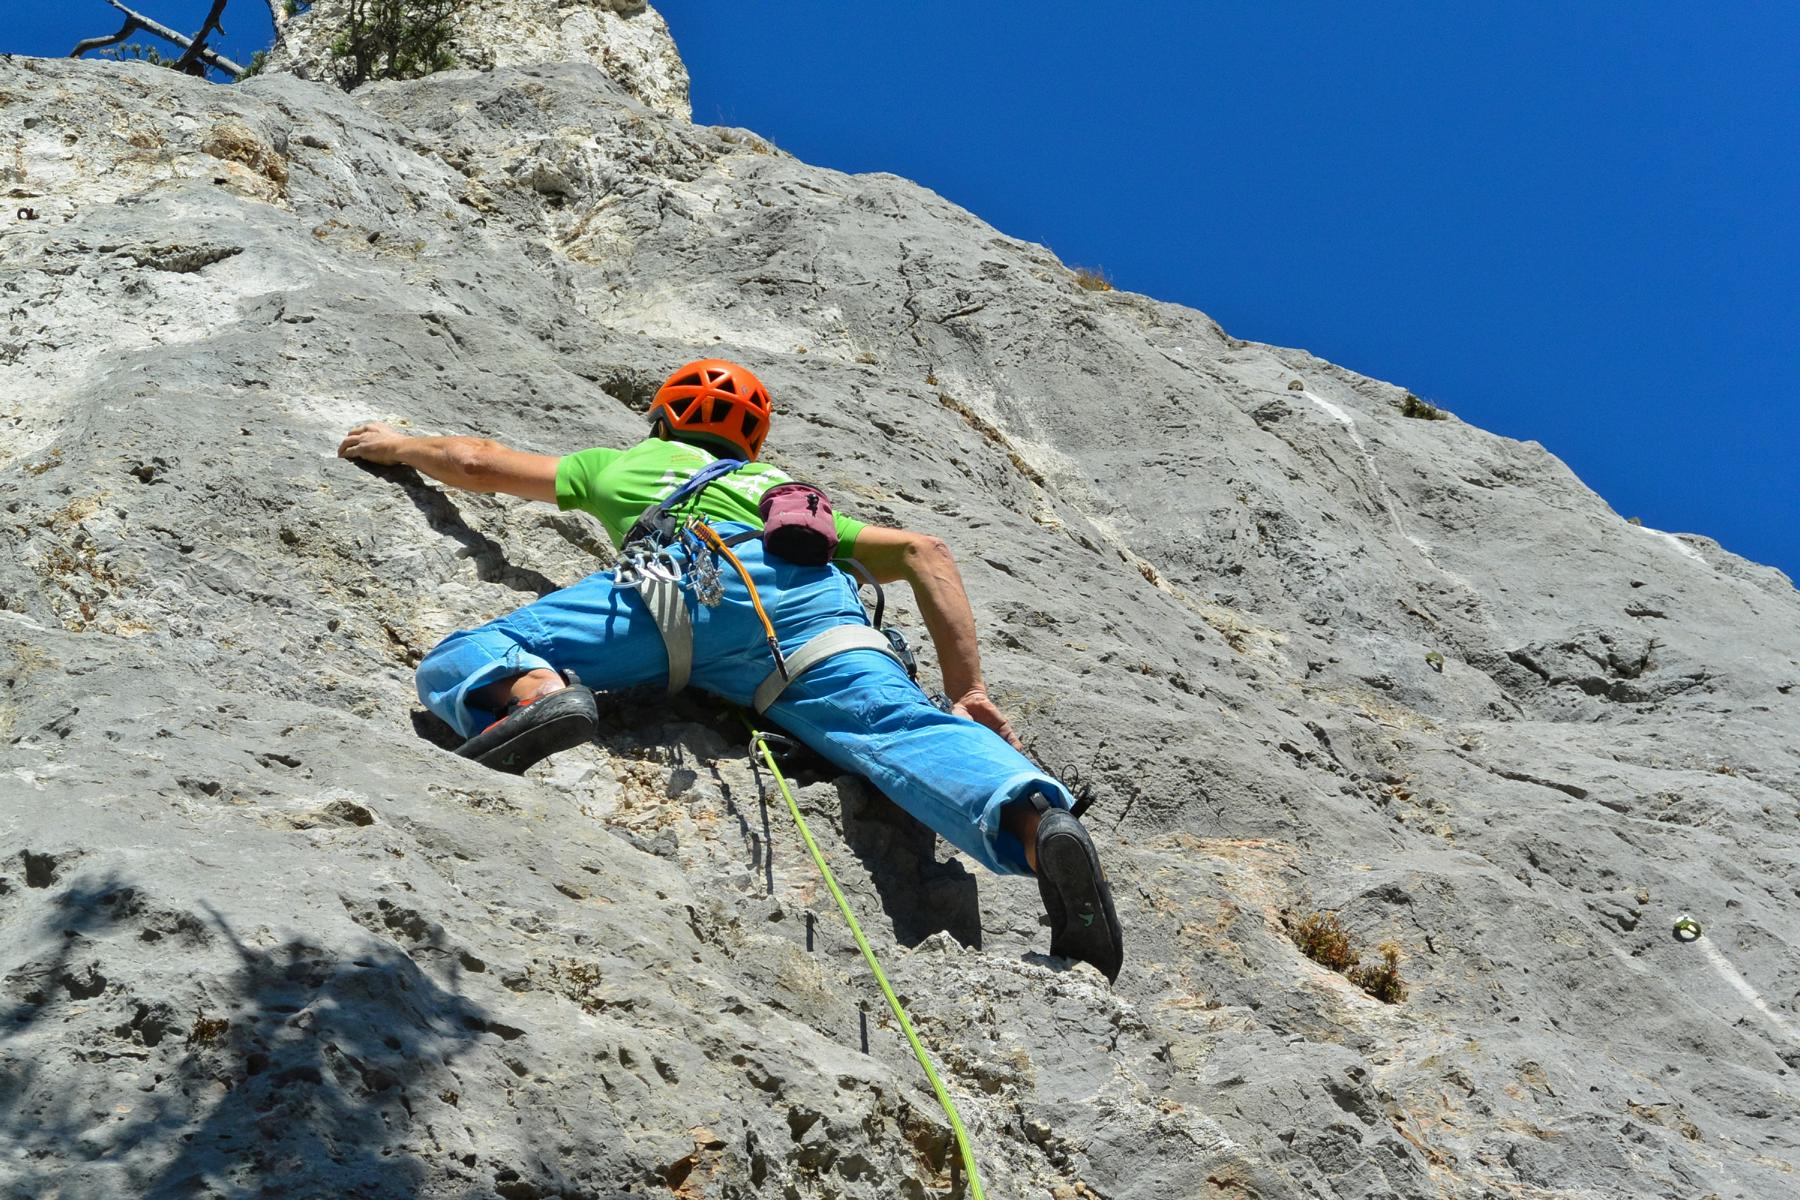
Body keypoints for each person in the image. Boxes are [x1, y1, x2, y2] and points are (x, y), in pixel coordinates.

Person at [338, 359, 1123, 981]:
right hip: (812, 614)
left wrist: (395, 445)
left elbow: (477, 464)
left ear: (664, 416)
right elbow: (926, 552)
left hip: (680, 587)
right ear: (753, 443)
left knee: (462, 654)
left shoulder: (625, 465)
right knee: (903, 731)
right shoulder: (782, 495)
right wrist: (969, 692)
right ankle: (1033, 821)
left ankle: (537, 697)